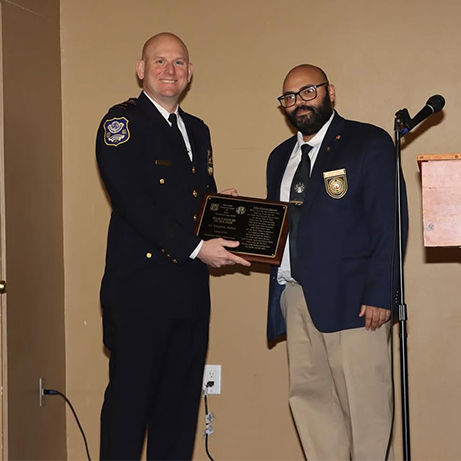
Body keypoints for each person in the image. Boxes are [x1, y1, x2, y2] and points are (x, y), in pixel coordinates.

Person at [96, 32, 249, 461]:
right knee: (129, 412)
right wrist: (199, 248)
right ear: (141, 70)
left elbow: (191, 200)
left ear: (190, 73)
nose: (170, 70)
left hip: (188, 293)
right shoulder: (121, 123)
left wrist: (220, 208)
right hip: (139, 292)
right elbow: (134, 204)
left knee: (179, 414)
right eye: (159, 61)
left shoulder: (197, 129)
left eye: (179, 62)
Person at [265, 64, 408, 460]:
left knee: (366, 410)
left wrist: (383, 292)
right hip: (296, 297)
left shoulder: (368, 142)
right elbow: (280, 228)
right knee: (310, 404)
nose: (299, 103)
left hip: (357, 303)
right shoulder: (280, 157)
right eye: (289, 97)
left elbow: (389, 222)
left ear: (330, 91)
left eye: (307, 92)